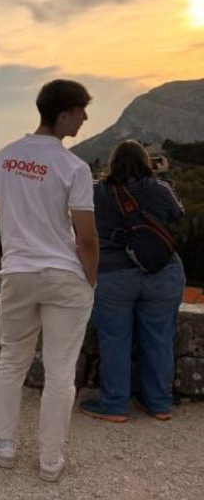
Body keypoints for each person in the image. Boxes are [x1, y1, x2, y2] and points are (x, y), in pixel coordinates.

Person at [0, 80, 99, 482]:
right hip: (63, 275)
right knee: (60, 372)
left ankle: (3, 443)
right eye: (82, 111)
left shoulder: (2, 158)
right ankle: (50, 460)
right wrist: (90, 280)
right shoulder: (74, 167)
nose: (86, 118)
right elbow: (85, 237)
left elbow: (5, 214)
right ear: (65, 113)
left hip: (18, 271)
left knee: (12, 360)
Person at [79, 141, 185, 423]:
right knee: (160, 338)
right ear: (146, 163)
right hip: (162, 272)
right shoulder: (160, 189)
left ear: (113, 164)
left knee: (114, 339)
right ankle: (159, 404)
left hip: (113, 275)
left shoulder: (97, 191)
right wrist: (162, 177)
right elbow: (178, 214)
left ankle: (115, 405)